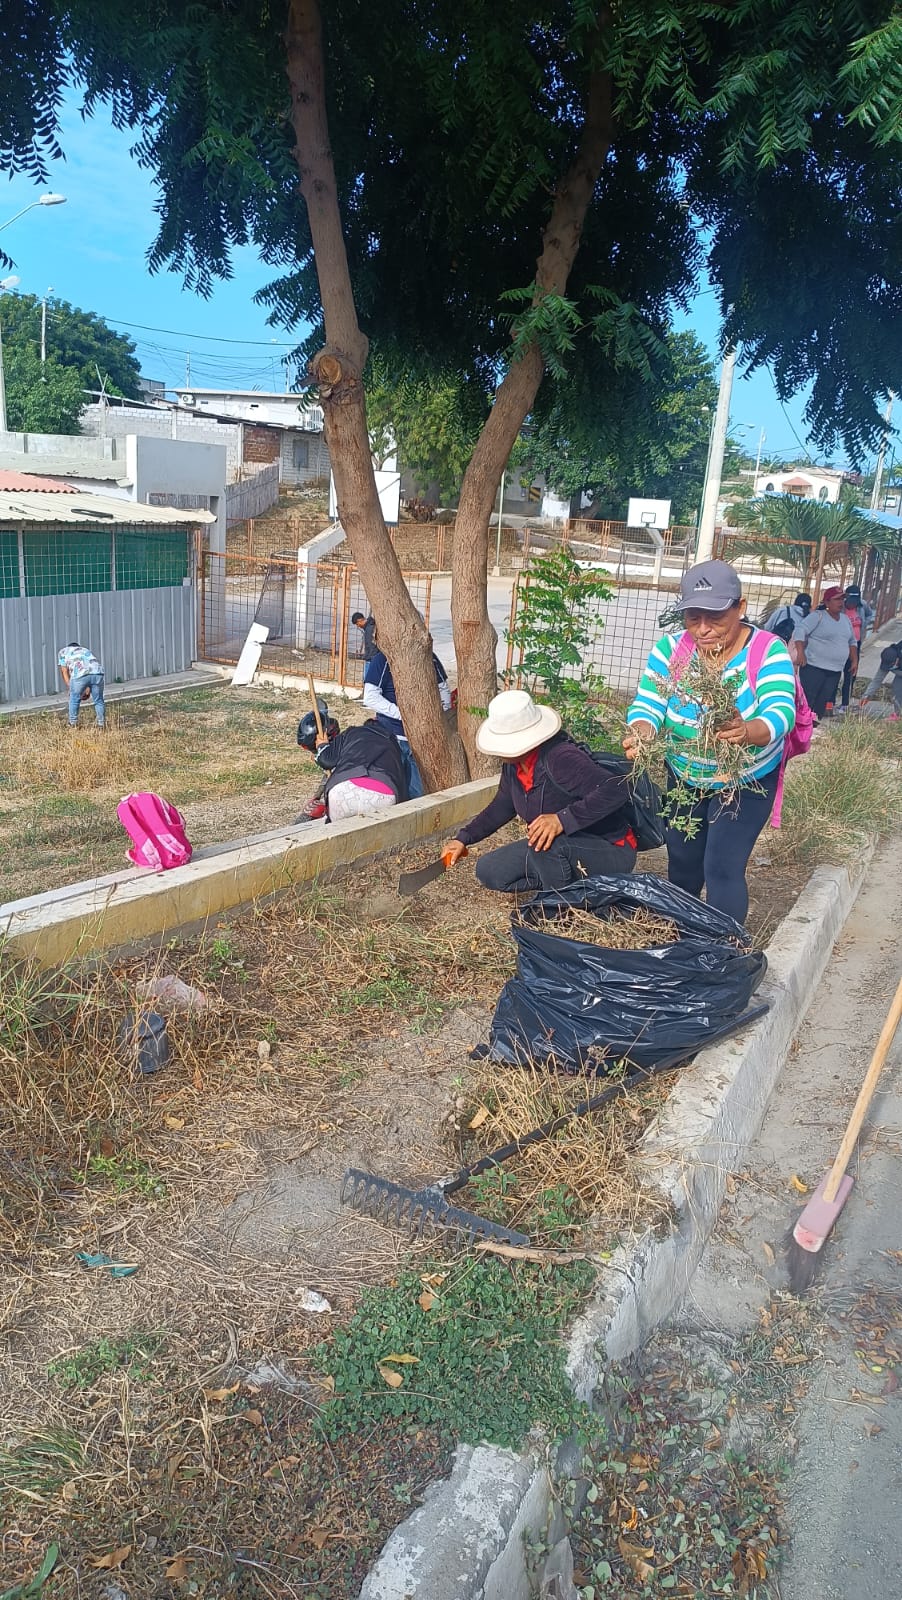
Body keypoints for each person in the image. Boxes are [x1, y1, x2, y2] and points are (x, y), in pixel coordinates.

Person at [624, 559, 797, 924]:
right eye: (692, 618)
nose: (703, 629)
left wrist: (748, 730)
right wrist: (643, 733)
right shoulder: (671, 651)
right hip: (686, 776)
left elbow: (781, 710)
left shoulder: (767, 650)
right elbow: (648, 704)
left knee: (721, 867)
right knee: (683, 862)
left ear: (740, 607)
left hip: (745, 780)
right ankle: (684, 935)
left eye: (715, 617)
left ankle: (723, 946)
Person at [443, 689, 638, 892]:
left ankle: (559, 903)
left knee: (546, 847)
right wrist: (463, 838)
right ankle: (569, 884)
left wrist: (562, 820)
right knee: (489, 870)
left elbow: (617, 788)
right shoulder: (513, 766)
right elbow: (501, 806)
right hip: (559, 848)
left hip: (609, 848)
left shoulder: (560, 757)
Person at [362, 640, 452, 799]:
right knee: (390, 792)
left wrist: (437, 715)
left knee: (417, 794)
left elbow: (443, 690)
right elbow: (370, 697)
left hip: (421, 739)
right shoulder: (384, 659)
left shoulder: (429, 657)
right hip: (392, 738)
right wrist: (403, 715)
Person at [297, 712, 409, 821]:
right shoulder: (393, 742)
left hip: (341, 791)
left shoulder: (350, 733)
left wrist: (322, 745)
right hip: (383, 792)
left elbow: (327, 760)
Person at [793, 586, 858, 722]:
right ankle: (800, 726)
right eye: (837, 599)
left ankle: (812, 726)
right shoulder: (818, 616)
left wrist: (854, 660)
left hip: (835, 670)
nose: (841, 602)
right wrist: (800, 652)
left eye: (842, 599)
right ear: (827, 602)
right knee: (808, 700)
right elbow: (800, 631)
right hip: (814, 667)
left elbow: (852, 641)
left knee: (822, 702)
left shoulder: (845, 620)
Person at [840, 584, 875, 709]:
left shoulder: (862, 605)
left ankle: (845, 703)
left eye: (855, 601)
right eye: (851, 601)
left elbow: (870, 614)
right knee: (836, 672)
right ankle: (830, 701)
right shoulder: (840, 606)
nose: (853, 604)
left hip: (855, 644)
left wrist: (864, 623)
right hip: (840, 644)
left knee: (850, 673)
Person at [58, 640, 105, 729]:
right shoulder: (84, 650)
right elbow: (89, 668)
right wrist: (87, 688)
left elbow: (64, 671)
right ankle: (101, 724)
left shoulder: (63, 651)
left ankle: (72, 724)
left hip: (80, 674)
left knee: (74, 699)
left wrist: (71, 688)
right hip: (98, 673)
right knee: (99, 700)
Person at [860, 641, 902, 721]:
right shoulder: (888, 658)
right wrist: (867, 695)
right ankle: (898, 715)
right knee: (897, 687)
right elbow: (877, 680)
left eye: (891, 665)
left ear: (896, 660)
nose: (889, 668)